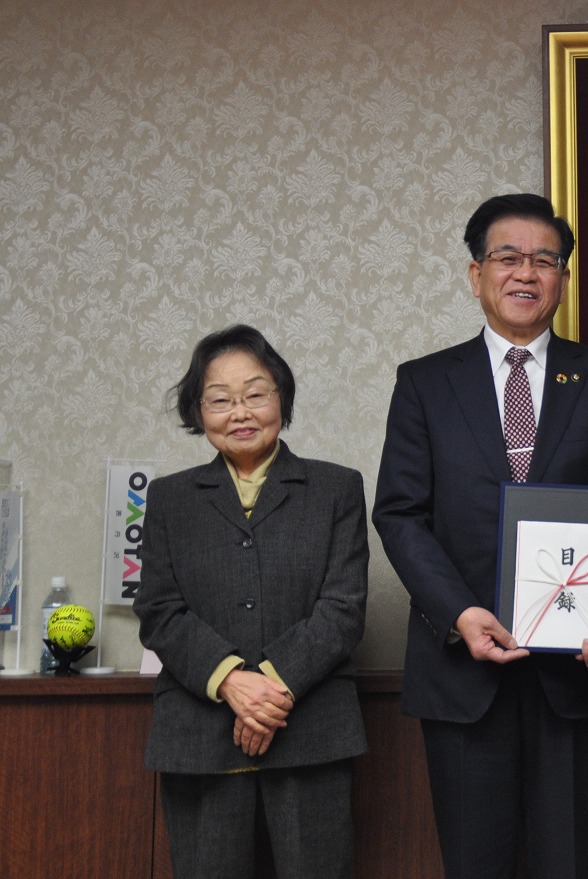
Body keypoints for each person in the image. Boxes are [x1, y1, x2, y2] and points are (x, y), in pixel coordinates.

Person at [372, 193, 588, 879]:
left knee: (569, 860)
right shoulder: (424, 384)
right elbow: (400, 513)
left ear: (561, 279)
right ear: (476, 274)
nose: (525, 273)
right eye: (508, 257)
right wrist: (461, 613)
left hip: (576, 675)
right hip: (463, 673)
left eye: (544, 260)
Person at [135, 325, 369, 878]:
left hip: (312, 732)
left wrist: (272, 687)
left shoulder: (336, 488)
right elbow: (159, 610)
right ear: (199, 411)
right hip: (199, 735)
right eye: (220, 399)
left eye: (255, 393)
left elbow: (343, 607)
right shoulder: (170, 498)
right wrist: (232, 681)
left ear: (281, 398)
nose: (239, 411)